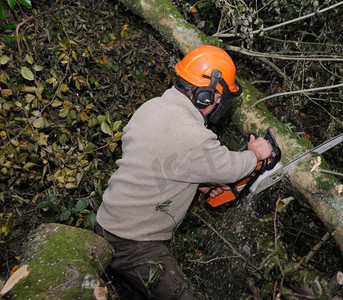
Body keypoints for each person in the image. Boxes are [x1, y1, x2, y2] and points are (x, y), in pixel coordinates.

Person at [95, 45, 272, 299]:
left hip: (106, 223)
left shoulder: (152, 107)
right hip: (134, 241)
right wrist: (256, 153)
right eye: (220, 97)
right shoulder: (193, 134)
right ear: (206, 96)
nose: (220, 103)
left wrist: (198, 181)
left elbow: (154, 158)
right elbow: (232, 169)